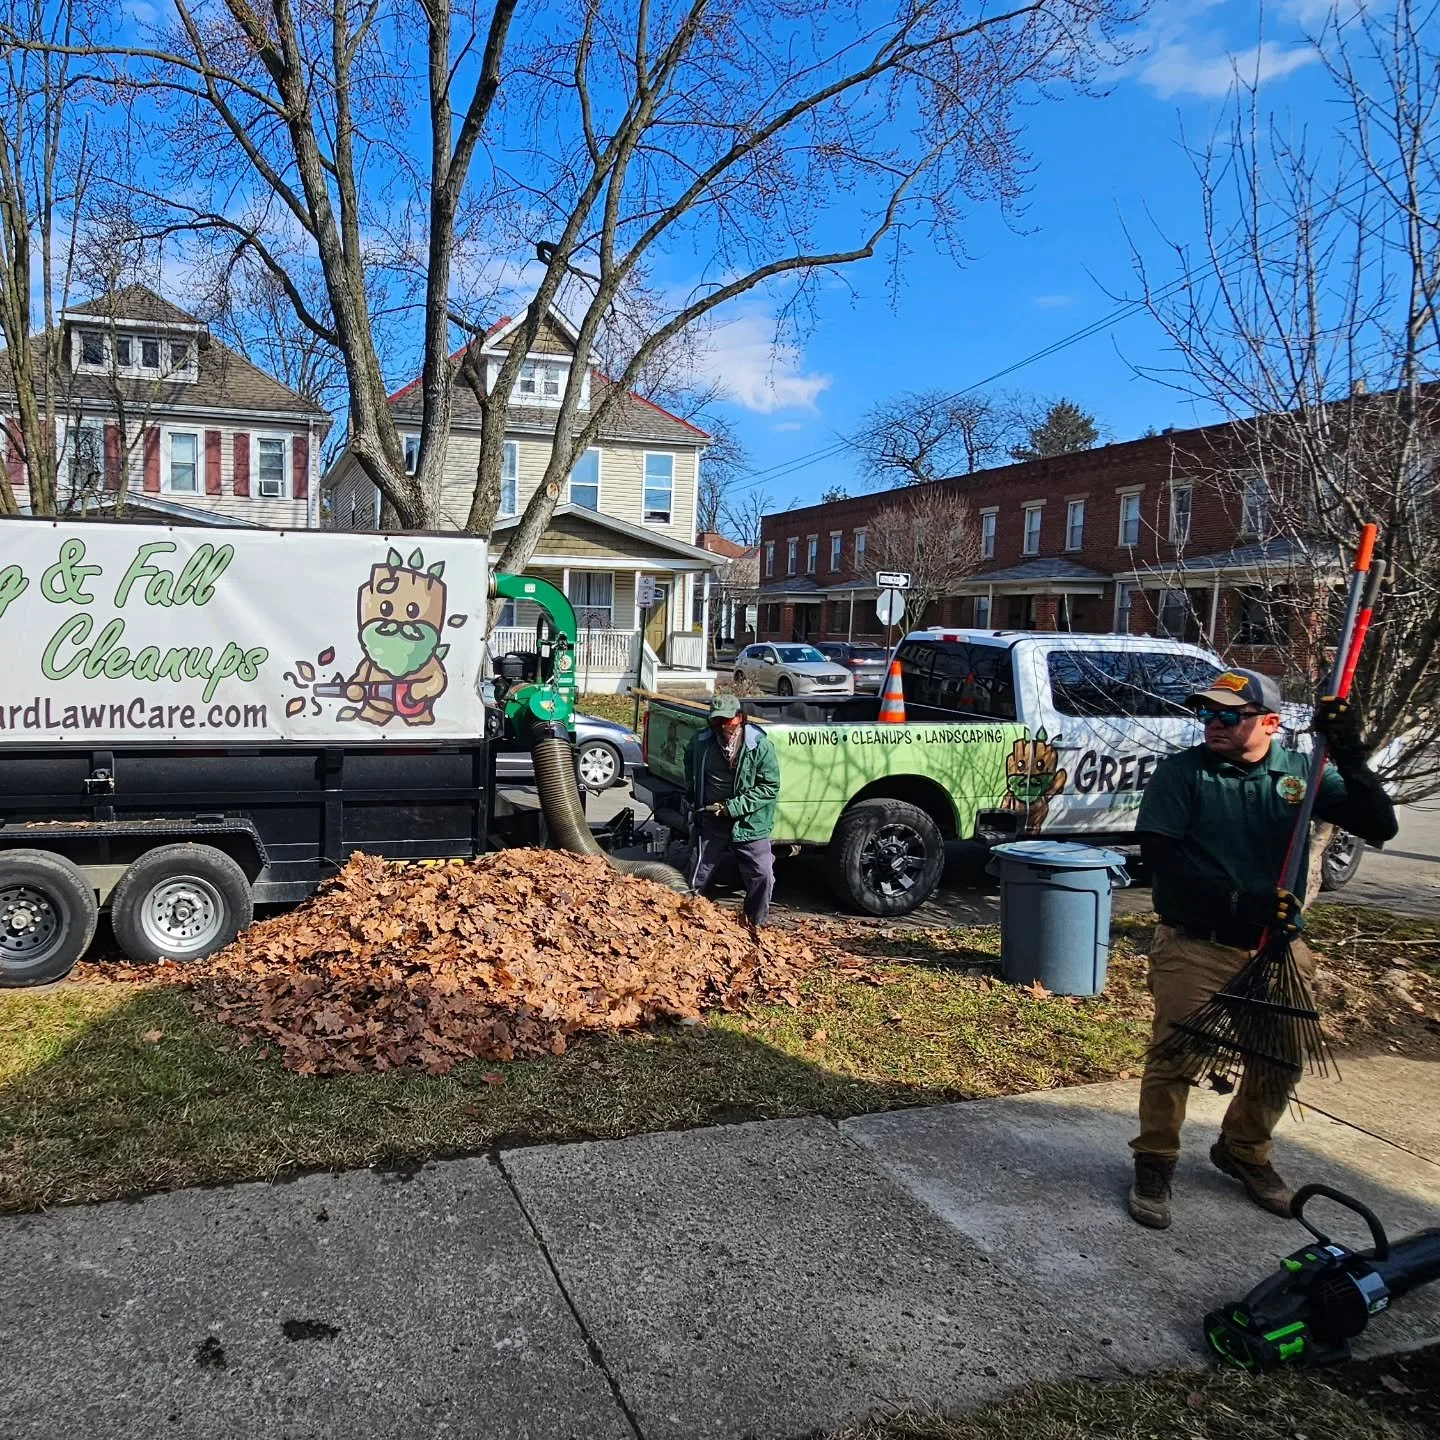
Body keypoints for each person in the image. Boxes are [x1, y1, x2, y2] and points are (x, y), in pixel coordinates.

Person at [1128, 667, 1398, 1230]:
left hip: (1276, 946)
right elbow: (1160, 849)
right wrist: (1235, 899)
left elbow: (1380, 824)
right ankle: (1154, 1160)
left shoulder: (1301, 773)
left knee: (1280, 1057)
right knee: (1175, 1056)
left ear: (1270, 722)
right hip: (1195, 942)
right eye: (1206, 713)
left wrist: (1349, 753)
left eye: (1229, 715)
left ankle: (1244, 1150)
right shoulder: (1185, 773)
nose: (1213, 725)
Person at [684, 694, 780, 927]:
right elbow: (689, 768)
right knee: (696, 876)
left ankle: (755, 924)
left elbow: (769, 787)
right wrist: (693, 798)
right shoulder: (700, 743)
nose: (724, 726)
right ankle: (688, 923)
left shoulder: (759, 746)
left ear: (740, 718)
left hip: (750, 823)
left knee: (763, 875)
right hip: (711, 821)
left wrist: (733, 808)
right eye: (717, 722)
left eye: (728, 721)